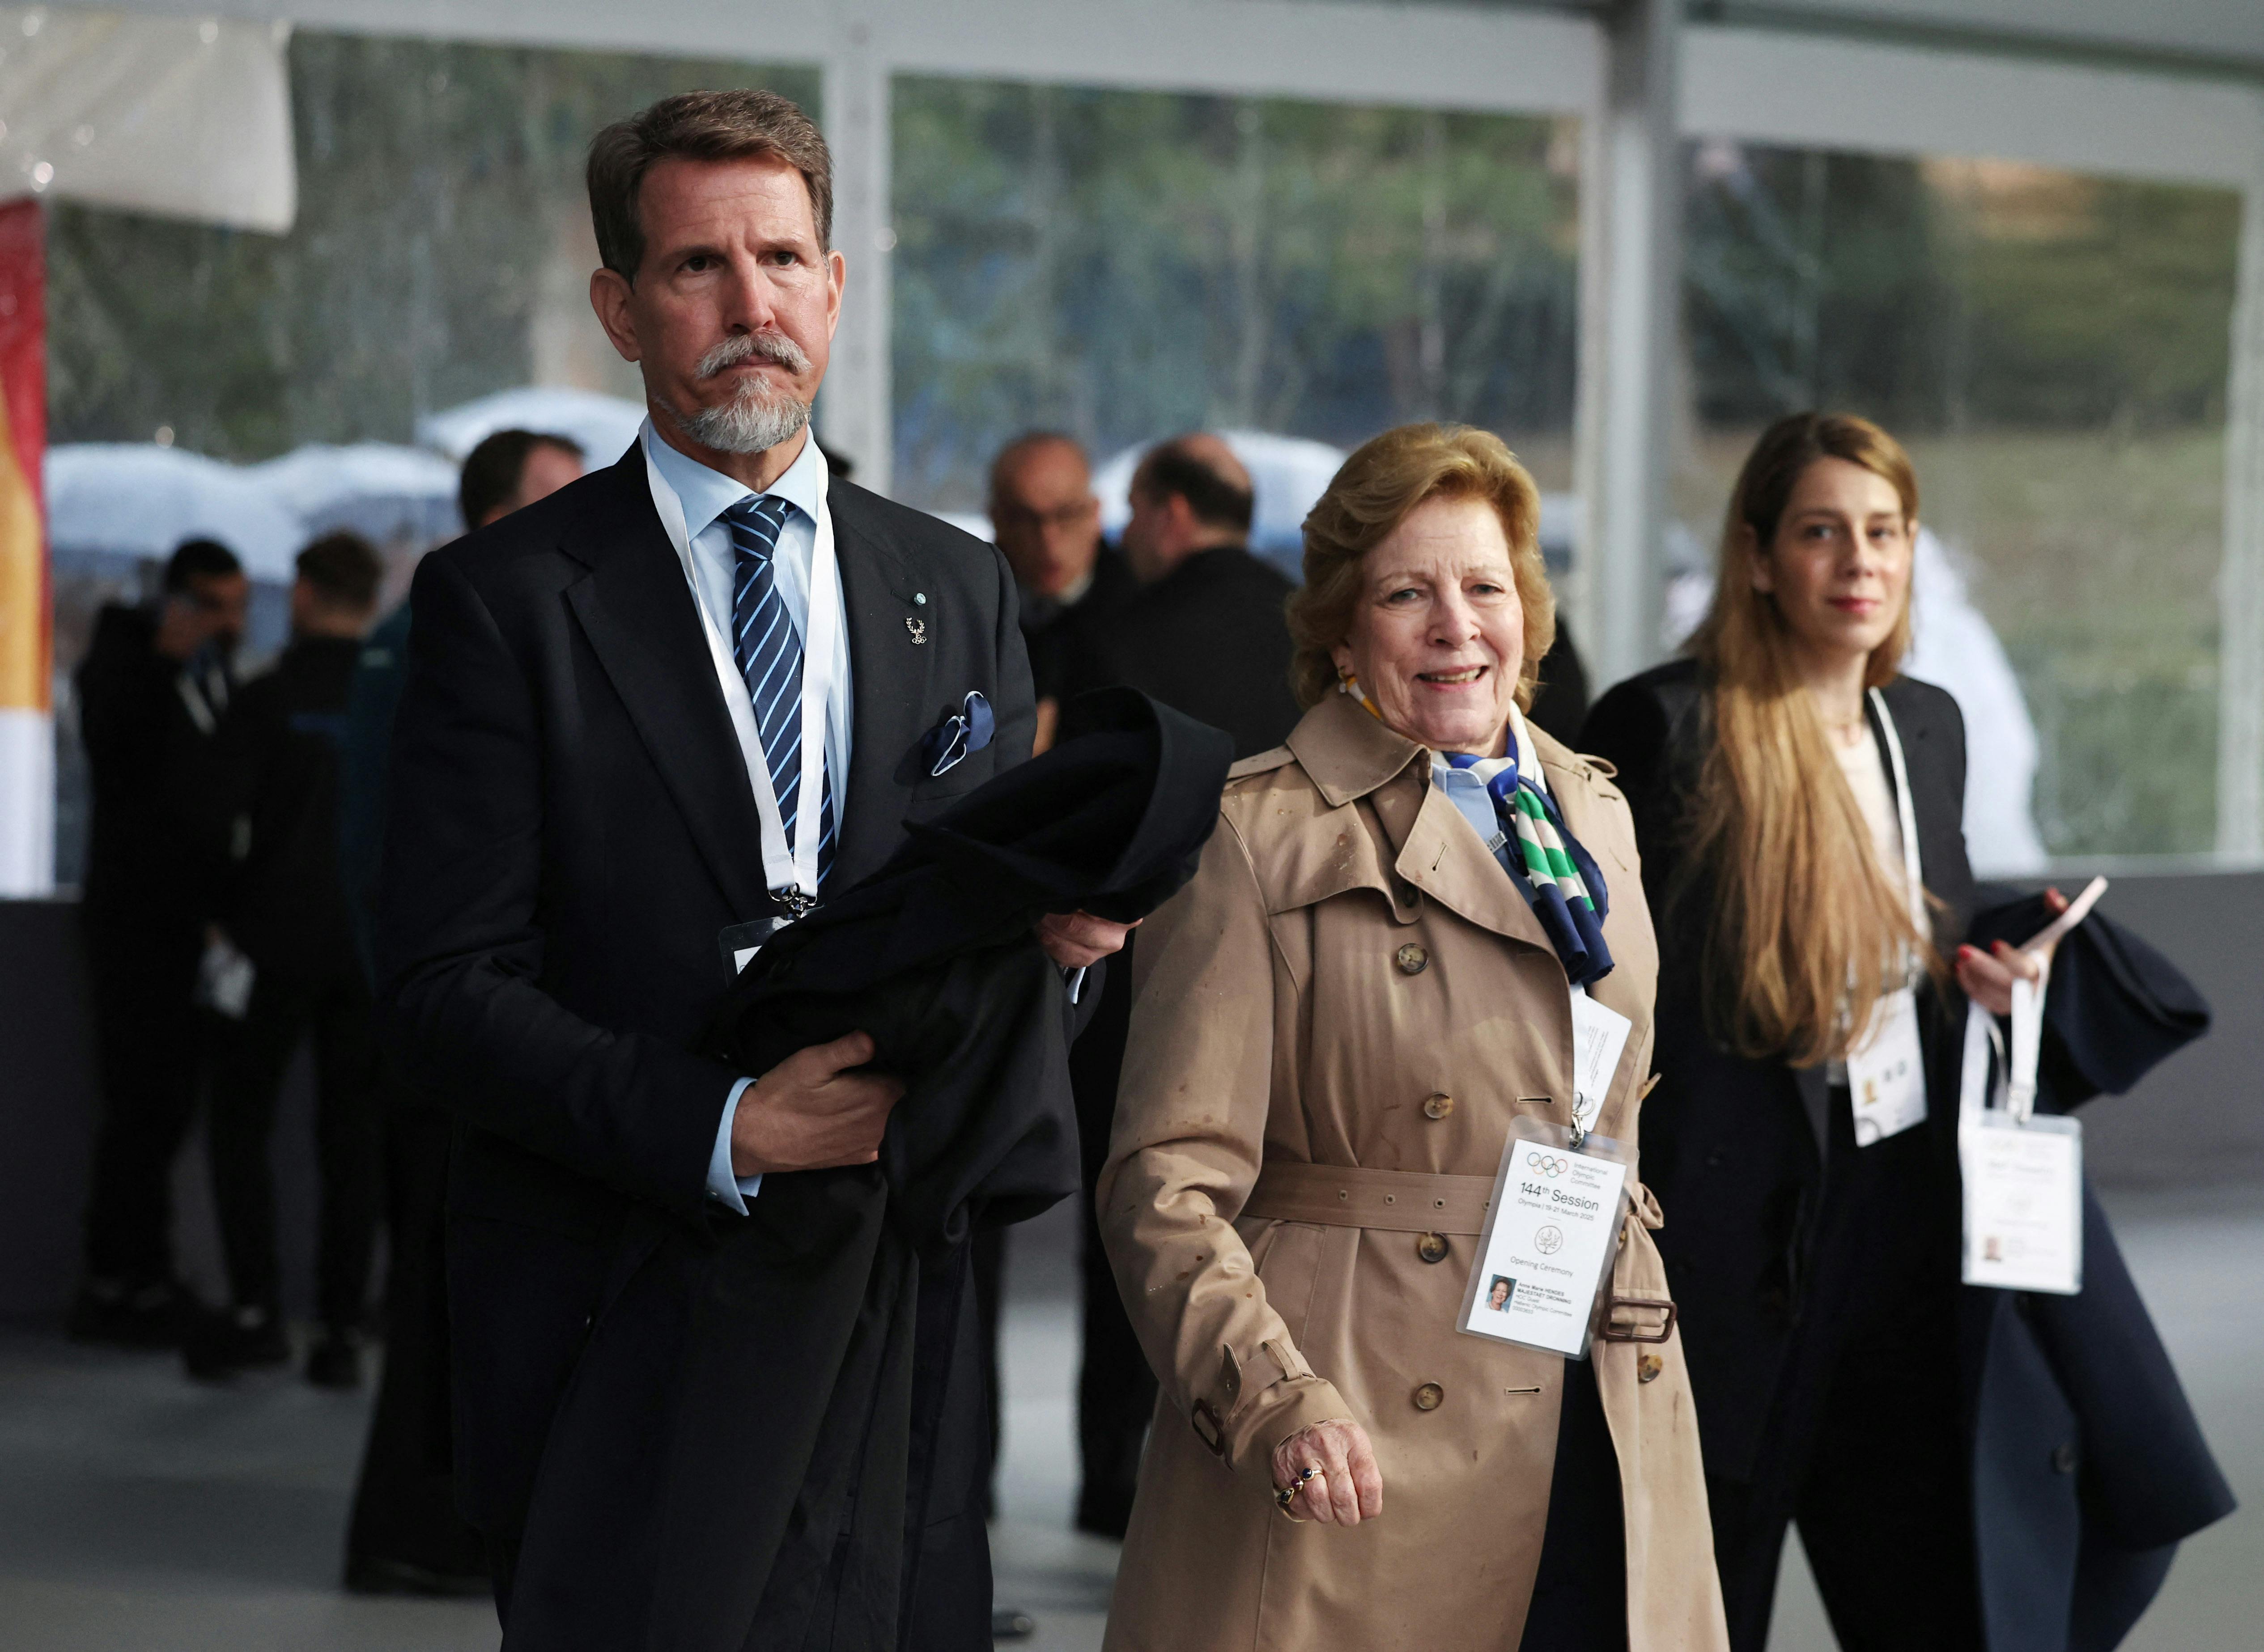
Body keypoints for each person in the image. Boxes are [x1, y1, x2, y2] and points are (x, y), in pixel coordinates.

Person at [376, 88, 1126, 1644]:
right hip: (620, 1291)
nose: (749, 307)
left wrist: (1051, 974)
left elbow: (981, 955)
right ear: (619, 307)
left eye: (782, 259)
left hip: (887, 1315)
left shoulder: (957, 587)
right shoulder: (504, 603)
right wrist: (727, 1123)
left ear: (836, 289)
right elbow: (442, 991)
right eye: (696, 268)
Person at [1096, 423, 1725, 1651]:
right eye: (1406, 591)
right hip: (1358, 1417)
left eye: (1483, 585)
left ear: (1526, 612)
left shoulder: (1590, 808)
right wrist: (1273, 1396)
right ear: (1340, 631)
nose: (1455, 624)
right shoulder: (1252, 835)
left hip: (1597, 1377)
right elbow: (1160, 1184)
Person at [1580, 412, 2042, 1651]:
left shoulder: (1924, 726)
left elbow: (1912, 943)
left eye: (1881, 532)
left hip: (1896, 1201)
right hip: (1728, 1229)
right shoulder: (1665, 723)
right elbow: (1600, 986)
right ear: (1755, 556)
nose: (1856, 562)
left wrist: (1979, 974)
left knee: (1918, 1573)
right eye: (1820, 531)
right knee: (1705, 1583)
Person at [339, 429, 584, 1597]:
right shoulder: (449, 624)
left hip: (459, 1013)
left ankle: (431, 1523)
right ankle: (411, 1527)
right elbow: (389, 849)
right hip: (447, 1021)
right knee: (439, 1291)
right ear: (500, 513)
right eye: (558, 497)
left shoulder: (459, 621)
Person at [1048, 432, 1304, 1539]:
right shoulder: (1321, 631)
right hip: (1311, 983)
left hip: (1145, 971)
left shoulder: (1118, 634)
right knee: (1279, 1220)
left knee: (1140, 1211)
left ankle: (1116, 1481)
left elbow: (1070, 814)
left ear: (1162, 513)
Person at [186, 531, 388, 1383]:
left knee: (241, 1128)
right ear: (371, 600)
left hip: (266, 943)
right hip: (367, 950)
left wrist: (215, 916)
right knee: (354, 1142)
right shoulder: (397, 698)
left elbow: (212, 822)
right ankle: (342, 1332)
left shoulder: (264, 700)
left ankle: (258, 1309)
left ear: (302, 594)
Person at [66, 538, 246, 1346]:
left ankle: (144, 1272)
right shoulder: (126, 662)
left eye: (238, 605)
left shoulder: (216, 673)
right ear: (176, 601)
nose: (230, 622)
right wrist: (164, 663)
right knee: (139, 1108)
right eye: (214, 604)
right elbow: (121, 758)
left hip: (189, 927)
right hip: (138, 927)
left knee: (165, 1108)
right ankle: (120, 1280)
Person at [987, 431, 1132, 728]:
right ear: (997, 519)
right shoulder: (971, 608)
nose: (1048, 540)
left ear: (1095, 513)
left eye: (1066, 515)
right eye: (1026, 519)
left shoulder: (1142, 604)